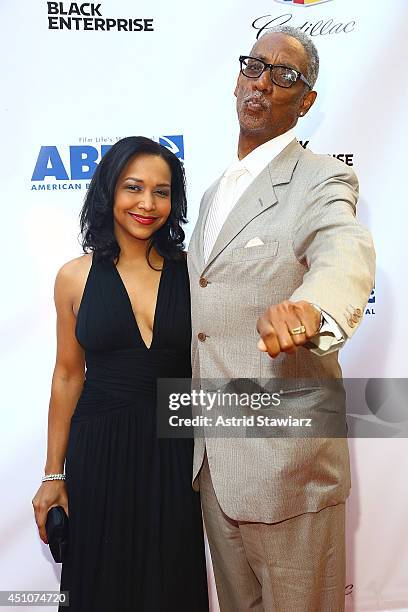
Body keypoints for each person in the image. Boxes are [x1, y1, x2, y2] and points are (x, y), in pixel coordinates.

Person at [187, 26, 375, 612]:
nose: (263, 81)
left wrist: (313, 308)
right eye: (254, 66)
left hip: (288, 466)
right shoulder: (215, 192)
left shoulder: (322, 179)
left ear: (307, 100)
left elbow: (343, 249)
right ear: (238, 77)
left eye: (285, 75)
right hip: (214, 461)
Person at [32, 136, 209, 612]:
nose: (147, 204)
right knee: (101, 584)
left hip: (176, 448)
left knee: (171, 580)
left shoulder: (194, 274)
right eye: (134, 187)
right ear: (109, 191)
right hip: (100, 448)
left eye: (162, 191)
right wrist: (54, 473)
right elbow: (68, 376)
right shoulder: (74, 276)